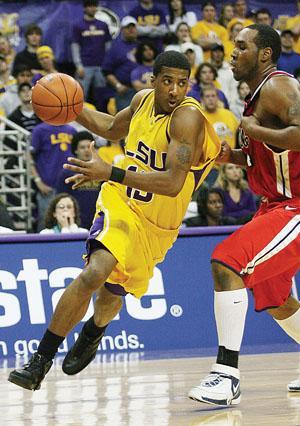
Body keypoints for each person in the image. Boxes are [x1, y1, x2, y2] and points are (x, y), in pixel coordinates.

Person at [8, 50, 221, 391]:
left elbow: (171, 183)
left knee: (113, 292)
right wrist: (69, 107)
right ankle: (40, 361)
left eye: (183, 83)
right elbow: (109, 127)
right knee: (94, 272)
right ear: (153, 81)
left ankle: (94, 331)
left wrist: (110, 170)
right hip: (121, 202)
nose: (175, 90)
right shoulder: (140, 101)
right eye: (167, 81)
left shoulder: (187, 120)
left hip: (158, 225)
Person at [188, 24, 300, 406]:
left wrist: (250, 127)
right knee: (275, 298)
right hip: (274, 205)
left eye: (241, 47)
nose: (232, 53)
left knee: (226, 262)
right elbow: (265, 156)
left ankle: (226, 375)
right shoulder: (257, 95)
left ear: (265, 53)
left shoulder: (279, 87)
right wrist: (230, 156)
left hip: (296, 205)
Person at [55, 131, 99, 230]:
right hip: (75, 223)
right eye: (82, 147)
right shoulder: (67, 173)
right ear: (76, 150)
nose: (86, 150)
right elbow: (60, 198)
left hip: (98, 221)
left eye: (89, 147)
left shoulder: (101, 171)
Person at [71, 0, 111, 100]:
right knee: (80, 96)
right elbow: (75, 47)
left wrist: (106, 64)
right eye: (90, 6)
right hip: (85, 66)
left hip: (100, 66)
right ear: (85, 8)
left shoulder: (103, 25)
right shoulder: (78, 26)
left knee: (101, 95)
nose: (92, 8)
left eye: (94, 6)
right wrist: (78, 65)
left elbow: (108, 46)